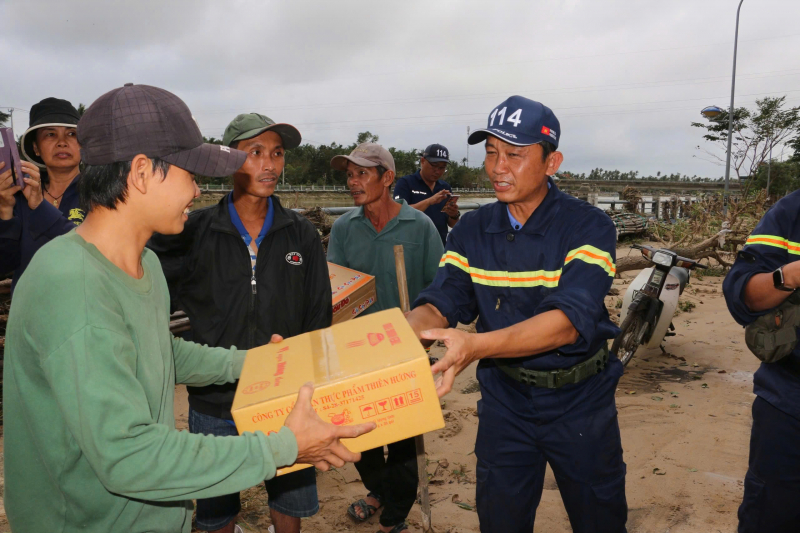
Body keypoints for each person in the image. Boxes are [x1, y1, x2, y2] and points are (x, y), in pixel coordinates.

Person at [3, 83, 374, 533]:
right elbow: (129, 456)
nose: (198, 190)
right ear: (141, 173)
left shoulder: (145, 264)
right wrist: (283, 448)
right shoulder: (73, 287)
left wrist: (258, 361)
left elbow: (162, 352)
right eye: (190, 173)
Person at [405, 96, 626, 533]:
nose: (497, 167)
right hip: (505, 402)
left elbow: (566, 323)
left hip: (580, 401)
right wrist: (398, 334)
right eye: (491, 152)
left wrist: (475, 345)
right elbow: (441, 300)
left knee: (598, 517)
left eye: (515, 154)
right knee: (500, 518)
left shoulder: (588, 227)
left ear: (551, 162)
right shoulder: (472, 228)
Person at [148, 112, 331, 533]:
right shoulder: (192, 230)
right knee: (215, 508)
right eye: (255, 153)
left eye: (277, 154)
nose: (269, 164)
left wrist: (307, 378)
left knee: (288, 497)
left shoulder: (300, 234)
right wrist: (191, 335)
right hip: (214, 398)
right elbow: (156, 291)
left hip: (284, 397)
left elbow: (318, 313)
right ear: (230, 161)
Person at [327, 142, 443, 533]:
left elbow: (439, 291)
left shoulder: (419, 227)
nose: (353, 182)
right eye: (349, 174)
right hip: (358, 355)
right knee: (364, 443)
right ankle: (377, 491)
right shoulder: (344, 228)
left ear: (387, 178)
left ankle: (394, 517)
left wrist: (422, 341)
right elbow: (335, 293)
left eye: (362, 173)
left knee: (406, 447)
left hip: (406, 354)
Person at [722, 193, 800, 532]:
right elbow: (741, 294)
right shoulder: (791, 211)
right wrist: (788, 277)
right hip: (789, 403)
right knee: (769, 515)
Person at [0, 97, 85, 291]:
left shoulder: (101, 192)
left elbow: (93, 251)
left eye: (72, 134)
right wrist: (5, 211)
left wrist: (40, 207)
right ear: (36, 148)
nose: (62, 142)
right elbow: (5, 264)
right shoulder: (19, 196)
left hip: (83, 312)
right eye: (50, 135)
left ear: (82, 145)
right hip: (29, 316)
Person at [393, 143, 460, 245]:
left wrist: (454, 215)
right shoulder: (405, 183)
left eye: (442, 168)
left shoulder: (445, 187)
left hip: (439, 248)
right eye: (434, 166)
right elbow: (398, 214)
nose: (437, 171)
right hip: (411, 248)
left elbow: (452, 224)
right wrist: (430, 201)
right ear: (423, 161)